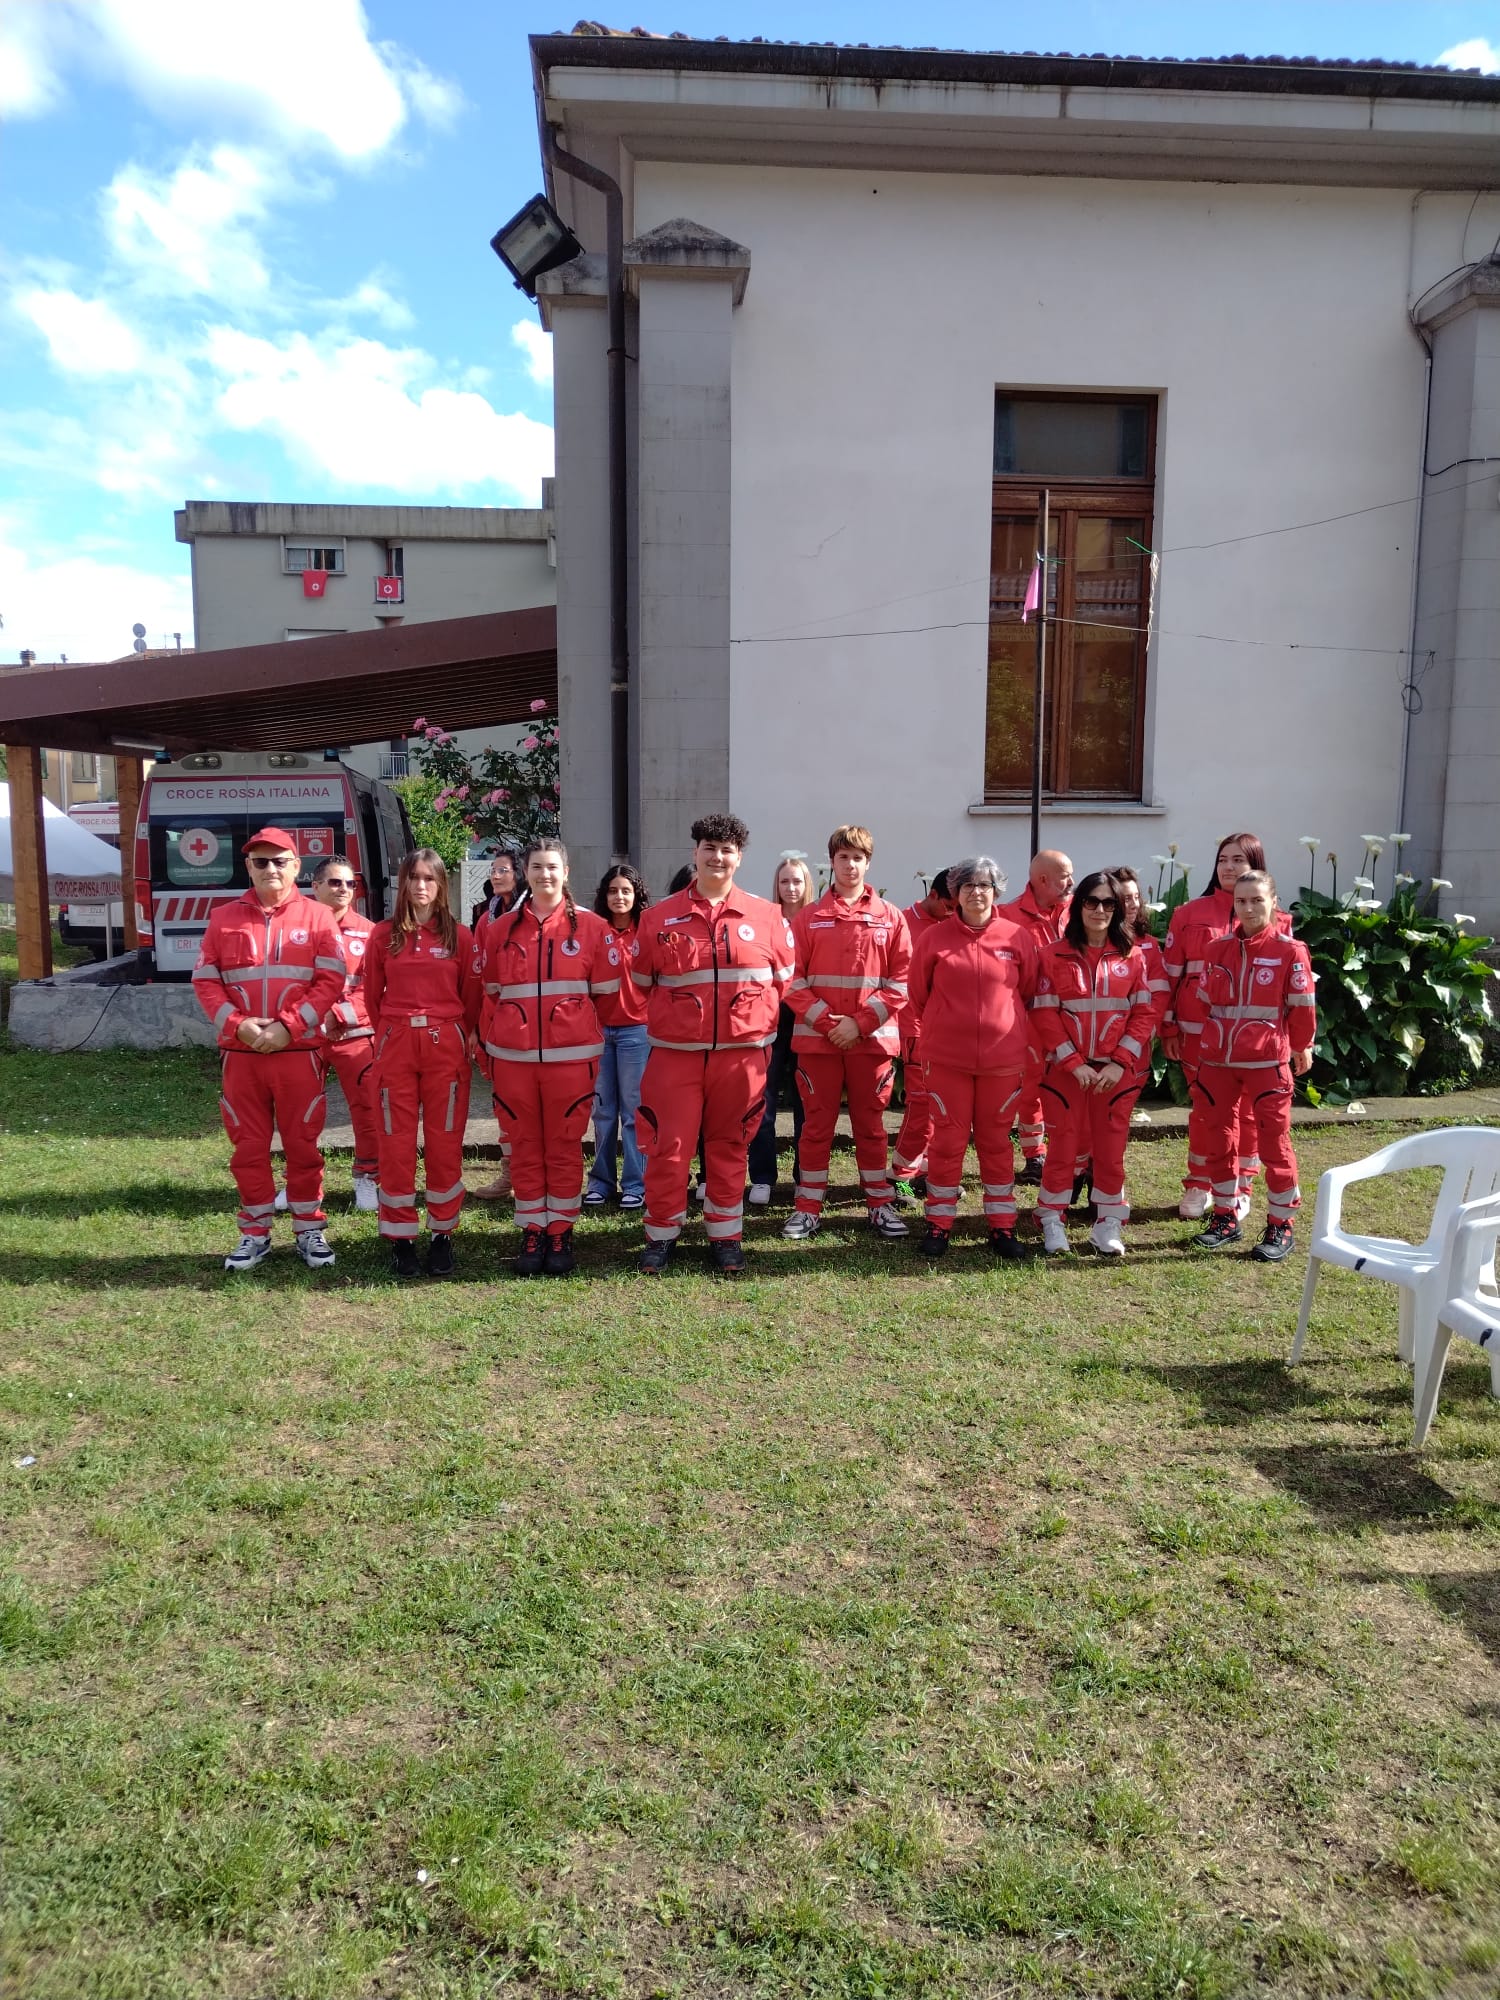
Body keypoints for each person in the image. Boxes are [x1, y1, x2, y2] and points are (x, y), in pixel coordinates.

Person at [629, 812, 794, 1276]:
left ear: (739, 858)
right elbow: (640, 984)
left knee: (730, 1146)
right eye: (709, 848)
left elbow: (786, 984)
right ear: (695, 853)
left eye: (727, 850)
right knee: (668, 1147)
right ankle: (661, 1236)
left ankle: (726, 1237)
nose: (718, 857)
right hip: (675, 1059)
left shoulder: (767, 916)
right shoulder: (658, 919)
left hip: (743, 1058)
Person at [191, 826, 346, 1272]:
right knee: (248, 1148)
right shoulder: (224, 917)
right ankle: (253, 1233)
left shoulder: (317, 917)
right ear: (249, 867)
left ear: (297, 867)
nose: (271, 869)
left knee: (303, 1146)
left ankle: (308, 1229)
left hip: (297, 1053)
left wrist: (289, 1028)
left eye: (280, 861)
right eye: (261, 861)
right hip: (242, 1056)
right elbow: (206, 982)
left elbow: (330, 981)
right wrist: (238, 1027)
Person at [481, 839, 624, 1275]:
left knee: (562, 1147)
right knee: (524, 1147)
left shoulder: (594, 928)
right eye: (537, 867)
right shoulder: (499, 929)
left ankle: (560, 1230)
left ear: (566, 872)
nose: (545, 875)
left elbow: (609, 1001)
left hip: (571, 1062)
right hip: (514, 1062)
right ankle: (531, 1230)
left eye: (553, 867)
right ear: (526, 871)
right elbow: (489, 994)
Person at [907, 855, 1041, 1261]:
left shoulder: (1017, 937)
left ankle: (1001, 1226)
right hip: (947, 1061)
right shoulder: (934, 938)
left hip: (1002, 1062)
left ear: (995, 890)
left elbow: (1030, 992)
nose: (977, 892)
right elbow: (918, 994)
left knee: (996, 1142)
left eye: (984, 885)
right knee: (947, 1141)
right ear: (955, 894)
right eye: (968, 886)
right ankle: (939, 1223)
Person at [783, 826, 911, 1241]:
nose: (850, 864)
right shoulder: (807, 918)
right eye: (843, 857)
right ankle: (807, 1208)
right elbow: (791, 979)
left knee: (871, 1126)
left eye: (858, 858)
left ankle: (880, 1204)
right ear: (832, 862)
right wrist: (828, 1023)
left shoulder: (892, 918)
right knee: (815, 1127)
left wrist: (860, 1023)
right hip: (818, 1044)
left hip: (871, 1042)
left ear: (867, 863)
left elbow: (902, 980)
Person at [364, 851, 482, 1280]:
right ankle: (401, 1239)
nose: (420, 886)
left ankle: (441, 1235)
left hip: (444, 1046)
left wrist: (460, 1032)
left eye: (429, 879)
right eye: (413, 877)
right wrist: (391, 1036)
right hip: (396, 1044)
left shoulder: (459, 937)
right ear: (403, 883)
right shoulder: (384, 936)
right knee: (395, 1144)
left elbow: (471, 995)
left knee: (444, 1141)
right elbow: (372, 995)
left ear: (441, 885)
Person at [1162, 831, 1292, 1221]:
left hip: (1257, 1041)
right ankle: (1199, 1184)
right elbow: (1169, 975)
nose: (1230, 867)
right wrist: (1168, 1027)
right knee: (1207, 1112)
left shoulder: (1281, 921)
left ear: (1256, 864)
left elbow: (1291, 986)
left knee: (1250, 1114)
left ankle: (1241, 1185)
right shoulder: (1189, 913)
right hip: (1200, 1034)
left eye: (1239, 859)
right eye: (1223, 860)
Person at [1190, 870, 1316, 1261]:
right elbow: (1206, 999)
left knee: (1274, 1145)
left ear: (1273, 902)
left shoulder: (1290, 951)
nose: (1248, 907)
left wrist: (1302, 1045)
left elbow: (1302, 1007)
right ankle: (1225, 1216)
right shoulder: (1216, 948)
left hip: (1266, 1062)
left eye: (1256, 900)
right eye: (1241, 901)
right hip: (1218, 1062)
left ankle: (1281, 1226)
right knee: (1218, 1138)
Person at [1032, 872, 1155, 1258]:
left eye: (1108, 903)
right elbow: (1045, 1014)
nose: (1099, 910)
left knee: (1111, 1149)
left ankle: (1108, 1224)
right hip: (1067, 1074)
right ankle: (1052, 1219)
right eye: (1091, 901)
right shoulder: (1052, 955)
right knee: (1063, 1147)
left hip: (1113, 1075)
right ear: (1078, 905)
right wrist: (1072, 1063)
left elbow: (1143, 1014)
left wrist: (1119, 1064)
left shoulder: (1133, 955)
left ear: (1118, 909)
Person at [309, 854, 379, 1213]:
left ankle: (367, 1179)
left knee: (367, 1111)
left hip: (356, 1035)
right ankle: (303, 1186)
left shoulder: (369, 932)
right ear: (315, 886)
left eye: (350, 883)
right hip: (306, 1035)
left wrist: (337, 1014)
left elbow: (374, 987)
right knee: (301, 1114)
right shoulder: (297, 928)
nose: (344, 889)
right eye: (335, 882)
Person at [999, 850, 1074, 1182]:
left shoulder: (1078, 912)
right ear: (1043, 880)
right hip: (1028, 1019)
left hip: (1073, 1017)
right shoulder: (1007, 917)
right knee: (1029, 1089)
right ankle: (1035, 1157)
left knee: (1067, 1089)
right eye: (1065, 876)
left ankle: (1071, 1155)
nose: (1072, 882)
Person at [746, 851, 815, 1205]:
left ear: (808, 885)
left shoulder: (817, 920)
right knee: (763, 1098)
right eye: (784, 881)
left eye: (797, 881)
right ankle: (762, 1177)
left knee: (806, 1099)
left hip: (807, 1018)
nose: (791, 887)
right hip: (770, 1018)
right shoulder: (765, 920)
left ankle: (806, 1175)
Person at [582, 862, 651, 1212]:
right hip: (598, 1031)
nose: (619, 896)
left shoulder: (648, 930)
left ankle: (636, 1185)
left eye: (625, 890)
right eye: (613, 890)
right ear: (603, 895)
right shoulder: (593, 930)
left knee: (634, 1111)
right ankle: (601, 1182)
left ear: (636, 893)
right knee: (603, 1112)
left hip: (637, 1031)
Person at [890, 868, 954, 1204]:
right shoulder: (902, 922)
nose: (955, 914)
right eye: (950, 906)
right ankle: (900, 1176)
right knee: (921, 1105)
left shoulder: (954, 926)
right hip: (913, 1028)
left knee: (942, 1107)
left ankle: (926, 1173)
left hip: (948, 1032)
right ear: (934, 895)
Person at [470, 847, 525, 1204]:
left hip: (529, 1022)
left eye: (503, 869)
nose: (495, 874)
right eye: (493, 869)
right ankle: (510, 1174)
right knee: (502, 1102)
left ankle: (535, 1175)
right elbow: (477, 974)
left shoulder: (535, 914)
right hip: (493, 1018)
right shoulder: (484, 916)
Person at [471, 848, 522, 929]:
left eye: (502, 870)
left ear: (519, 873)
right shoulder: (486, 920)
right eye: (493, 871)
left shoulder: (534, 914)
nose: (495, 876)